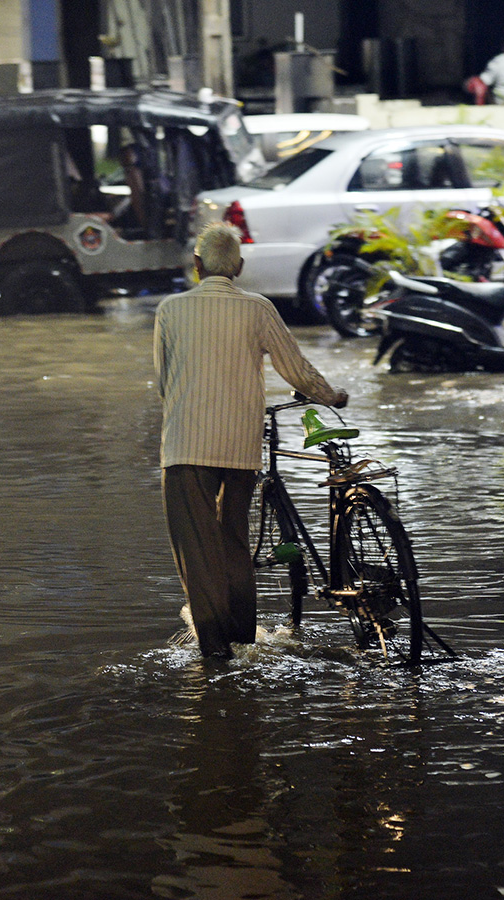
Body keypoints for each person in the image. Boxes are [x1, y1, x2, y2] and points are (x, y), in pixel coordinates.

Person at [153, 223, 348, 659]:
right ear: (238, 267)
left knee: (197, 550)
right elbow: (295, 368)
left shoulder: (170, 309)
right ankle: (243, 634)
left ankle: (215, 649)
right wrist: (330, 396)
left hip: (186, 448)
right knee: (234, 540)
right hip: (240, 449)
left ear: (197, 265)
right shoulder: (258, 309)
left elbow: (165, 383)